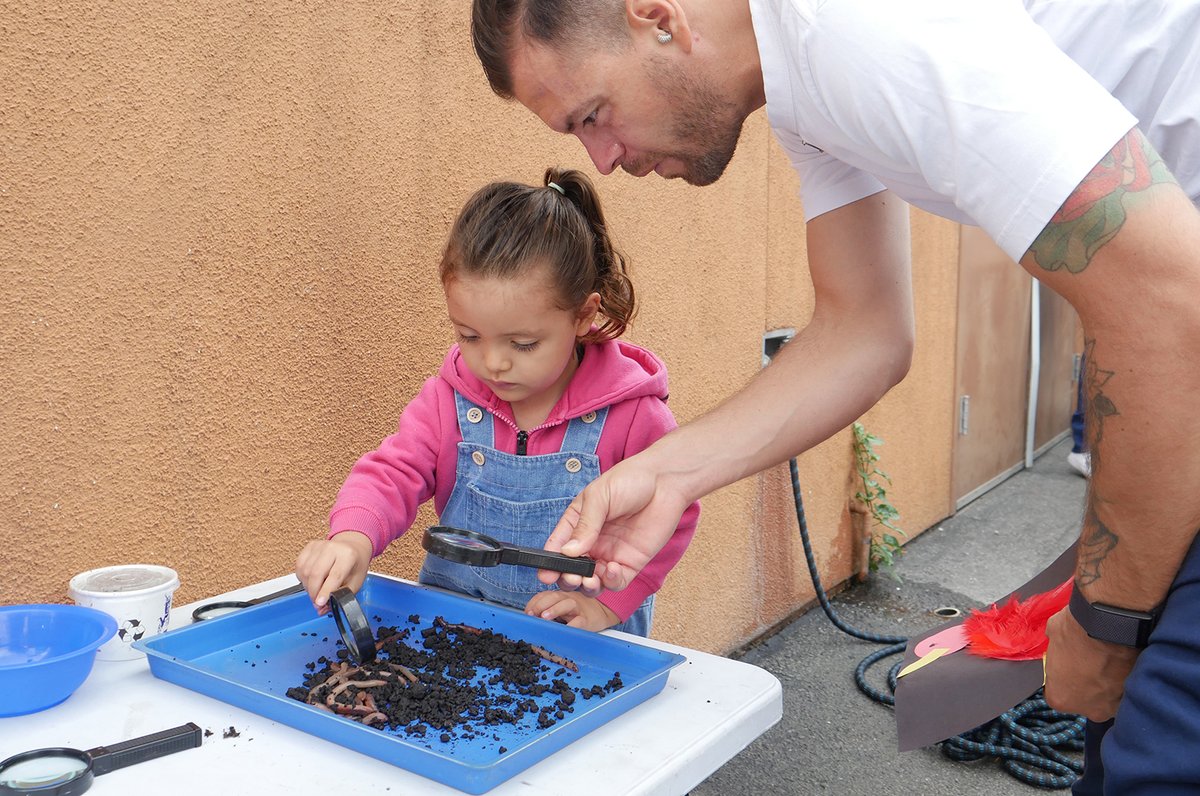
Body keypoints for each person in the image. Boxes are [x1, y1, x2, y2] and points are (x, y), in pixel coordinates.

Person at [469, 0, 1200, 790]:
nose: (601, 160)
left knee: (1153, 761)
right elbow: (866, 329)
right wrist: (667, 473)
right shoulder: (803, 81)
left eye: (593, 115)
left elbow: (1166, 310)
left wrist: (1106, 628)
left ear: (656, 17)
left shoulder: (857, 27)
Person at [295, 167, 700, 636]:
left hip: (582, 638)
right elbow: (393, 472)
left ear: (583, 315)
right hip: (456, 631)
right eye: (469, 336)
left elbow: (672, 514)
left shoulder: (634, 416)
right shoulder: (448, 400)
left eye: (523, 344)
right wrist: (352, 538)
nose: (492, 364)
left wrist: (610, 606)